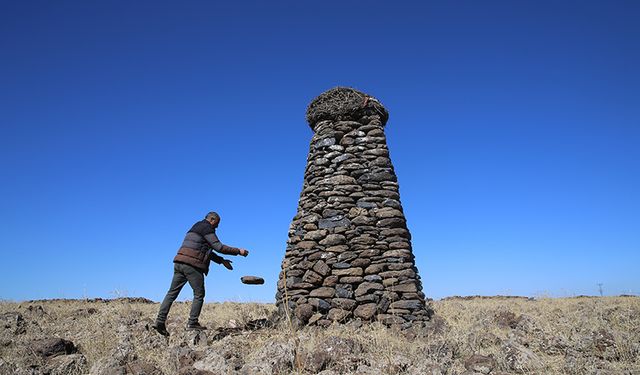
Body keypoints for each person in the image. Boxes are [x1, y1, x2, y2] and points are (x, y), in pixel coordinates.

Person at [152, 211, 249, 336]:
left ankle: (160, 321)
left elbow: (206, 250)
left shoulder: (195, 228)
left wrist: (221, 261)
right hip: (192, 266)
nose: (217, 227)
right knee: (199, 294)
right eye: (217, 223)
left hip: (179, 262)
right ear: (212, 220)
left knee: (171, 293)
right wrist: (238, 251)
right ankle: (192, 323)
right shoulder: (207, 228)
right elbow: (219, 247)